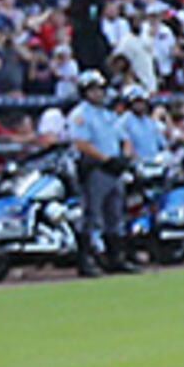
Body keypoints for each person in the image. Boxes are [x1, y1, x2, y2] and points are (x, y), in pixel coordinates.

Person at [67, 68, 130, 275]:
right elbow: (81, 143)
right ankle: (86, 261)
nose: (98, 94)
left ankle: (116, 258)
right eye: (92, 90)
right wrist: (105, 159)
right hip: (96, 168)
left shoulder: (107, 114)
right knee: (92, 215)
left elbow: (121, 137)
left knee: (115, 214)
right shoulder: (80, 114)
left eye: (100, 89)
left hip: (113, 168)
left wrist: (123, 157)